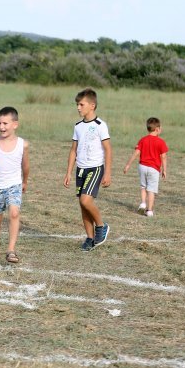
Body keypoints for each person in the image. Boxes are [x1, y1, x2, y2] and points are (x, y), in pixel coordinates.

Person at [64, 87, 112, 251]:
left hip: (95, 168)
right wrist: (69, 172)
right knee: (83, 205)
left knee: (86, 200)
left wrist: (108, 172)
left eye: (81, 104)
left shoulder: (100, 125)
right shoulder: (78, 126)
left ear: (92, 105)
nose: (78, 107)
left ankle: (101, 226)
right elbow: (73, 150)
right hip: (81, 170)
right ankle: (90, 238)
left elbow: (108, 149)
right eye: (77, 104)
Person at [0, 107, 30, 264]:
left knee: (14, 213)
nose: (1, 127)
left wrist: (25, 181)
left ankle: (11, 250)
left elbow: (26, 166)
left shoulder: (23, 144)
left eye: (5, 123)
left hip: (14, 184)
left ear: (15, 124)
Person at [122, 117, 168, 217]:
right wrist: (164, 170)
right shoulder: (161, 142)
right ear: (157, 129)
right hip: (154, 169)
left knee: (143, 186)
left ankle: (143, 203)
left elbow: (136, 153)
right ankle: (149, 210)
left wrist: (128, 165)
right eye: (160, 128)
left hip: (142, 166)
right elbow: (163, 157)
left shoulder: (143, 140)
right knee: (151, 190)